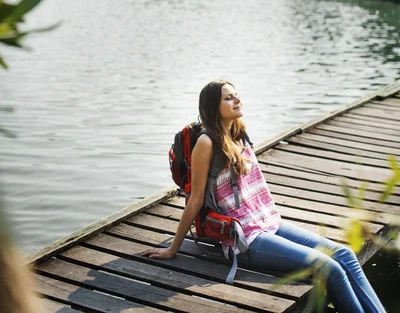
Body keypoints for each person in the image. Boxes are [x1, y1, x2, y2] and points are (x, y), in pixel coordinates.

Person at [140, 80, 386, 313]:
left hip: (268, 222)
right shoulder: (206, 143)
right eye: (228, 98)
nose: (237, 100)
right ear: (213, 107)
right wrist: (174, 248)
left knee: (344, 254)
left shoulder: (238, 132)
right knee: (329, 267)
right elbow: (195, 199)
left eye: (236, 95)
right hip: (245, 238)